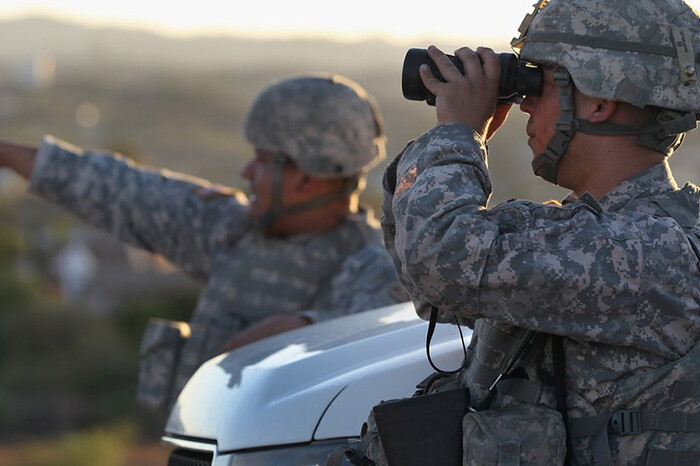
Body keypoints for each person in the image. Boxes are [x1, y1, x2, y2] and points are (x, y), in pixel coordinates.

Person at [379, 0, 700, 464]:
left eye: (542, 82)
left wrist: (457, 135)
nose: (524, 101)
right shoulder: (581, 231)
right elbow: (433, 287)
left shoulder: (654, 252)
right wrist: (454, 145)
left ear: (599, 101)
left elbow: (441, 260)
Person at [0, 73, 408, 411]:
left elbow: (376, 342)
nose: (246, 172)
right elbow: (118, 190)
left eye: (264, 161)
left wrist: (302, 332)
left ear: (304, 177)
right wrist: (6, 154)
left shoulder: (375, 271)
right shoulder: (233, 228)